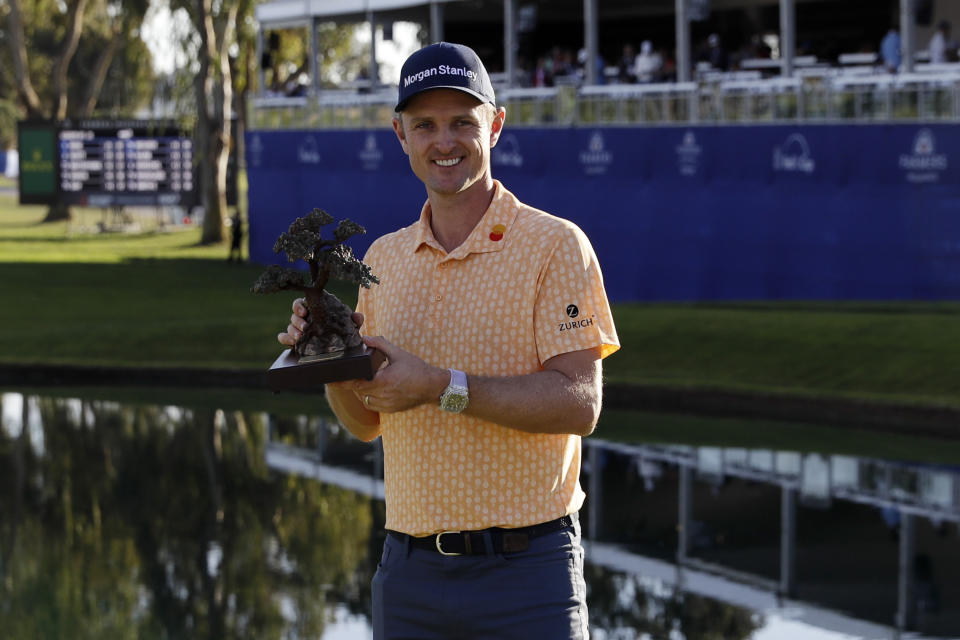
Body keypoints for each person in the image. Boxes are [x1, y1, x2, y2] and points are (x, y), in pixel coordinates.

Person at [278, 42, 619, 639]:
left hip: (528, 574)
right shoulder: (382, 260)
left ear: (496, 125)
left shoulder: (555, 246)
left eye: (463, 121)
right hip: (409, 576)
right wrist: (329, 360)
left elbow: (579, 404)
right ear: (400, 135)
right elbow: (366, 422)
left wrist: (441, 387)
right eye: (425, 125)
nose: (445, 141)